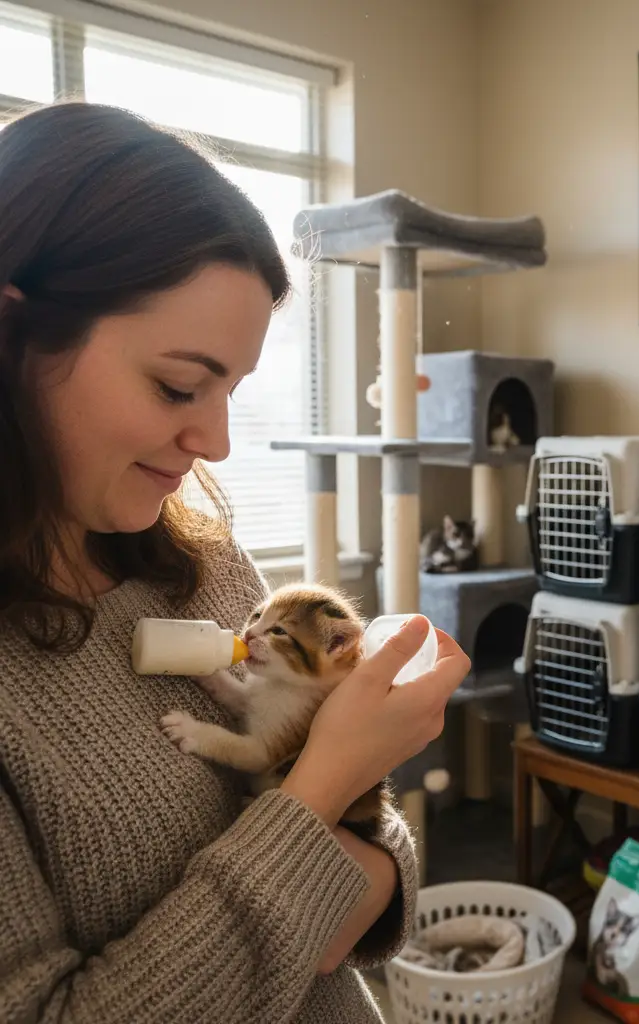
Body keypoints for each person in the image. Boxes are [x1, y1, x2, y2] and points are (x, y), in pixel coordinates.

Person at [0, 101, 470, 1023]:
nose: (213, 441)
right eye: (179, 385)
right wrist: (324, 787)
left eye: (231, 391)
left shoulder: (202, 565)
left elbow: (377, 862)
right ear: (14, 339)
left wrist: (350, 810)